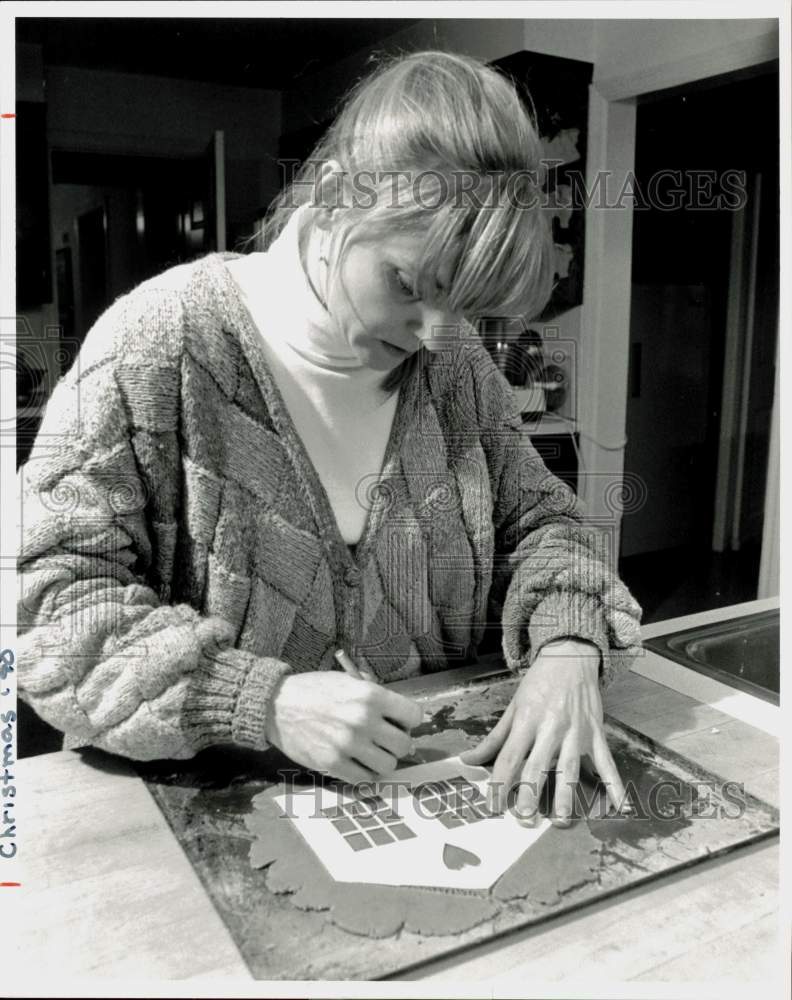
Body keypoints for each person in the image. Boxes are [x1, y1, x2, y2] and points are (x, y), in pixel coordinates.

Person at [16, 50, 643, 828]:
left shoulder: (454, 364)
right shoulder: (159, 341)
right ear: (341, 190)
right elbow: (46, 611)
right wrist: (261, 701)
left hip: (434, 804)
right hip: (214, 821)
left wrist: (569, 643)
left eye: (469, 308)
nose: (435, 333)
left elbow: (544, 522)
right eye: (409, 285)